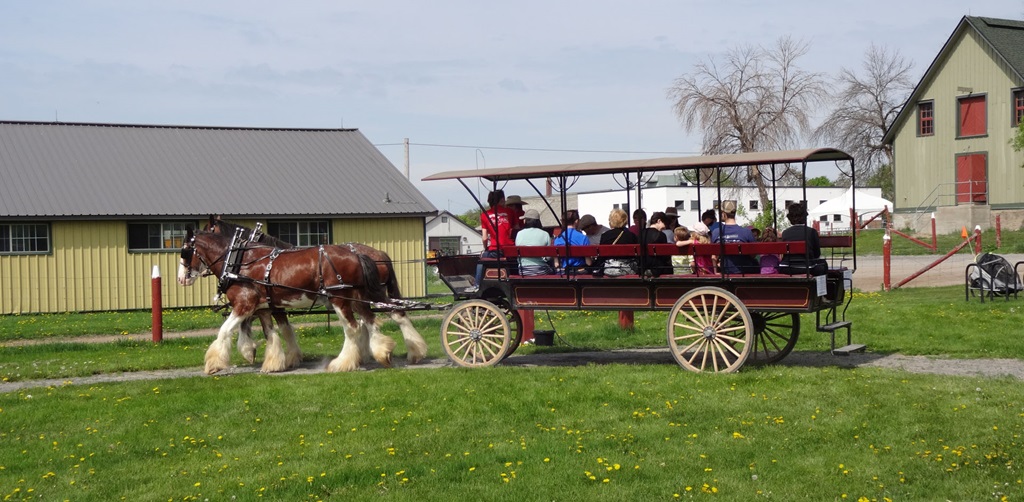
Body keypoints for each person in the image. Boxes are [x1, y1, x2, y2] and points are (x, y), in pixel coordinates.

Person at [469, 189, 514, 292]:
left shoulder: (485, 215)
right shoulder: (510, 212)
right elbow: (515, 230)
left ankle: (477, 284)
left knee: (482, 259)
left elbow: (484, 237)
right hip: (511, 250)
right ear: (502, 200)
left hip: (495, 250)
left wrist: (486, 249)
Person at [779, 202, 828, 275]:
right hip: (807, 267)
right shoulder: (811, 232)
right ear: (805, 217)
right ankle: (822, 286)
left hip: (787, 267)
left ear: (790, 218)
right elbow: (817, 254)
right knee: (823, 264)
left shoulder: (785, 233)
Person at [711, 200, 758, 274]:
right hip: (744, 272)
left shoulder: (716, 232)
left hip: (725, 271)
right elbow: (754, 254)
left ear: (723, 214)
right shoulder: (746, 232)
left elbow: (713, 256)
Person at [597, 208, 639, 276]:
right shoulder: (631, 236)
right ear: (625, 220)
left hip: (609, 269)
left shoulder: (605, 236)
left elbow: (601, 257)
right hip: (627, 269)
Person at [514, 209, 553, 276]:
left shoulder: (519, 234)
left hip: (523, 270)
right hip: (541, 270)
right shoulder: (545, 234)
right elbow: (548, 257)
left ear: (526, 221)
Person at [640, 212, 672, 276]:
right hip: (657, 270)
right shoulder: (661, 235)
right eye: (664, 224)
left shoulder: (641, 234)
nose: (665, 227)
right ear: (659, 221)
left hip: (642, 269)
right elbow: (665, 256)